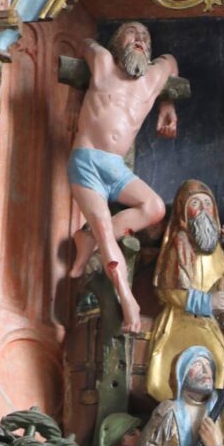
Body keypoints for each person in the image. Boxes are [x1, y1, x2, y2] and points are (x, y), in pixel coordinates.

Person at [68, 21, 178, 333]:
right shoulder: (104, 63)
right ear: (117, 43)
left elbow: (171, 61)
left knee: (154, 208)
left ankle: (88, 238)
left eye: (145, 36)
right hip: (88, 161)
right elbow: (84, 43)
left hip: (116, 168)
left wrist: (167, 104)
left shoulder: (153, 78)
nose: (140, 38)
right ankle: (127, 298)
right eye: (132, 33)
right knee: (106, 233)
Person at [146, 179, 224, 403]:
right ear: (183, 211)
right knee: (217, 360)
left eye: (207, 203)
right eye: (195, 203)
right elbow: (170, 291)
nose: (203, 209)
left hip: (210, 319)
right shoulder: (181, 242)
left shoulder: (217, 248)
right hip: (183, 318)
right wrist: (207, 303)